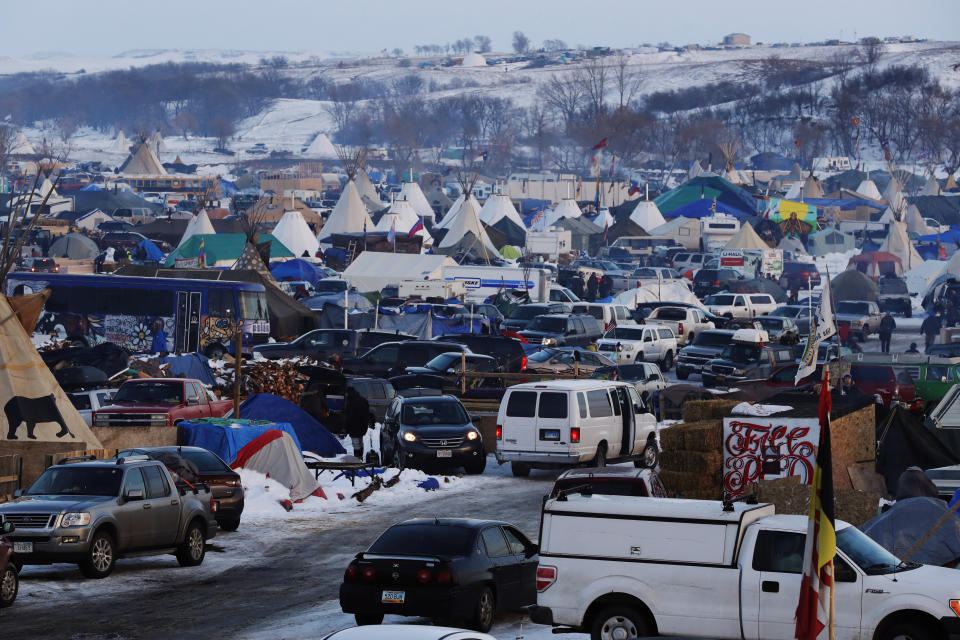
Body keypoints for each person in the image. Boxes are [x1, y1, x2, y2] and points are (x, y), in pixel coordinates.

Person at [344, 386, 371, 459]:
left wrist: (346, 427)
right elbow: (367, 413)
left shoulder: (350, 402)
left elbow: (348, 415)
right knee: (360, 441)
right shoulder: (363, 400)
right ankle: (360, 457)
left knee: (356, 443)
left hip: (353, 425)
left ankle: (357, 458)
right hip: (362, 425)